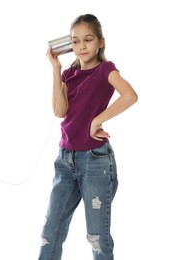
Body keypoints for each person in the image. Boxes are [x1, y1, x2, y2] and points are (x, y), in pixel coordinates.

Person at [38, 14, 138, 260]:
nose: (81, 46)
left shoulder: (106, 70)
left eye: (88, 40)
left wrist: (97, 119)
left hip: (95, 161)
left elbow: (130, 95)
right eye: (75, 41)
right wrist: (56, 70)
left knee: (97, 237)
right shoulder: (68, 75)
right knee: (51, 231)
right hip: (65, 160)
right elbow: (59, 111)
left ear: (101, 41)